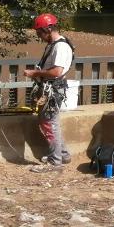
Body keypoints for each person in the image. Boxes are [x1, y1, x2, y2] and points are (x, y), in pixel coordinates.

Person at [23, 13, 74, 172]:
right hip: (50, 88)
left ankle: (55, 162)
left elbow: (57, 71)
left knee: (49, 124)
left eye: (40, 32)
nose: (39, 36)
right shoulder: (55, 44)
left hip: (53, 89)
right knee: (50, 123)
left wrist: (35, 73)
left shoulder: (60, 46)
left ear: (48, 29)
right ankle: (62, 155)